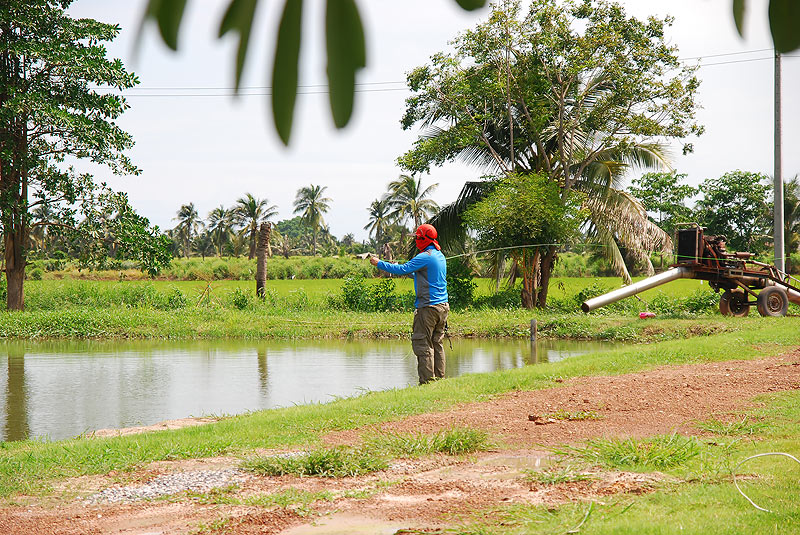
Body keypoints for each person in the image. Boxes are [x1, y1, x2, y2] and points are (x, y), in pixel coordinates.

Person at [370, 224, 449, 384]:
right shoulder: (439, 255)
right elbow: (420, 274)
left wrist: (379, 263)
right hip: (443, 306)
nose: (415, 241)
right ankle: (440, 380)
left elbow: (403, 269)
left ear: (422, 239)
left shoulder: (424, 256)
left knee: (423, 343)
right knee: (437, 343)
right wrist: (407, 271)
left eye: (417, 238)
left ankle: (427, 382)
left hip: (428, 308)